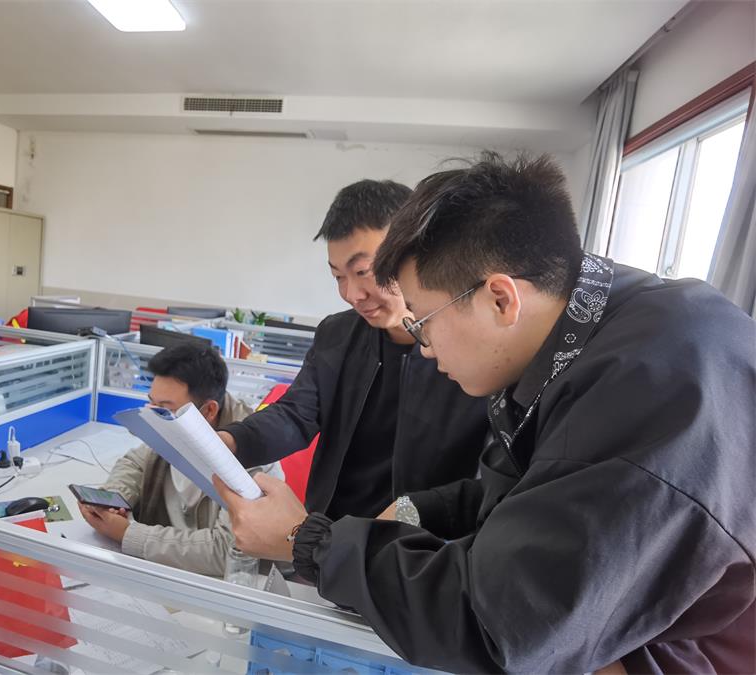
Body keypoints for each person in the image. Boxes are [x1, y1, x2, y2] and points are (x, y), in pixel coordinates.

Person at [216, 152, 756, 673]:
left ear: (500, 298)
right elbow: (520, 490)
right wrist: (409, 511)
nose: (424, 347)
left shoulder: (654, 384)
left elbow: (502, 621)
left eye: (423, 320)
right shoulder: (577, 328)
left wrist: (305, 542)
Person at [217, 179, 488, 521]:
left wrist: (411, 515)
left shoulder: (470, 351)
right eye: (338, 277)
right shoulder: (337, 333)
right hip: (327, 528)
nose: (351, 294)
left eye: (363, 272)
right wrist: (232, 441)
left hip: (416, 542)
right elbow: (297, 414)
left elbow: (484, 480)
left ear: (413, 252)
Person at [80, 343, 281, 577]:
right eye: (152, 403)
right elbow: (134, 462)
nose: (153, 415)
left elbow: (226, 551)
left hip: (222, 584)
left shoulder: (253, 456)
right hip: (163, 569)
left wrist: (128, 534)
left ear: (209, 411)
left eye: (163, 409)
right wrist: (114, 500)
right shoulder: (172, 425)